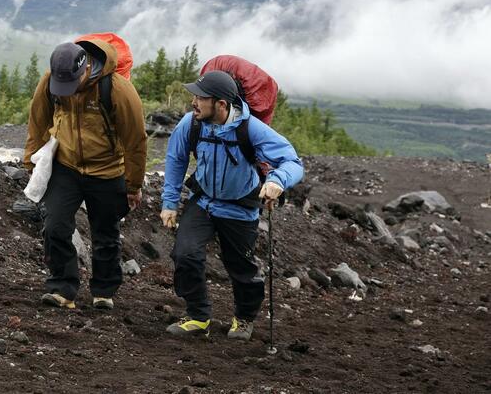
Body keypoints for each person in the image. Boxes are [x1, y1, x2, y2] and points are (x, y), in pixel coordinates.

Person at [160, 70, 303, 340]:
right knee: (185, 255)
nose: (193, 102)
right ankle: (198, 317)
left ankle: (244, 319)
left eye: (200, 98)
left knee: (242, 269)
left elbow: (292, 162)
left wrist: (277, 181)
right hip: (202, 203)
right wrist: (169, 202)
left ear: (222, 104)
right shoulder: (190, 124)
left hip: (240, 207)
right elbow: (176, 159)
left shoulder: (252, 129)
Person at [24, 39, 147, 310]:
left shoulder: (117, 90)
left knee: (105, 233)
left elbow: (135, 140)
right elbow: (37, 121)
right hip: (65, 166)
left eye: (72, 84)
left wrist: (132, 184)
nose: (66, 91)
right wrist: (31, 162)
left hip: (106, 170)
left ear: (86, 68)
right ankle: (62, 288)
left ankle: (104, 291)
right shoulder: (51, 82)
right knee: (55, 227)